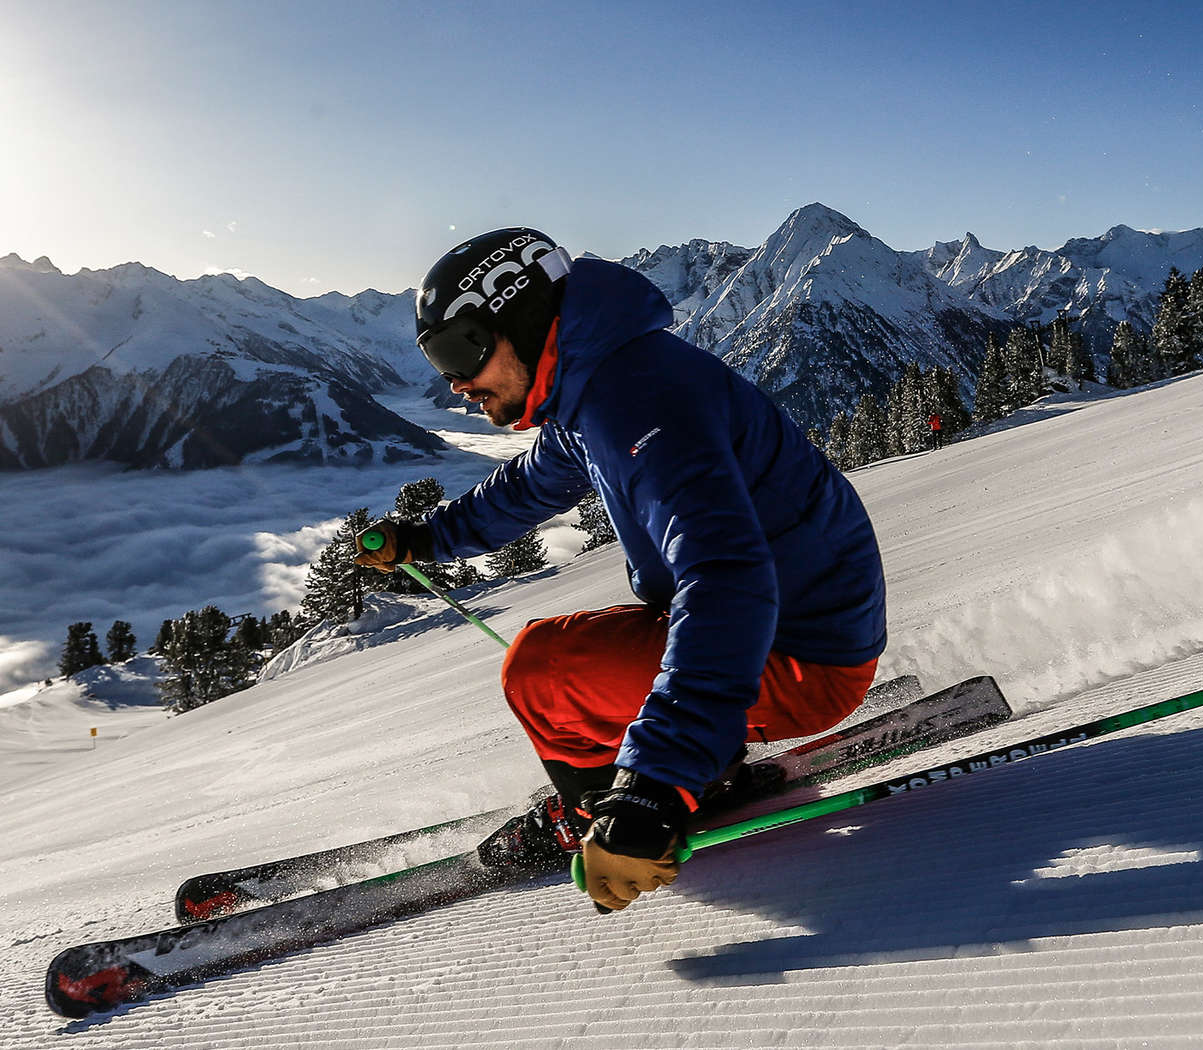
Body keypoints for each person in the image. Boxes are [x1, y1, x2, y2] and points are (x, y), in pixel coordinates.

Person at [355, 227, 887, 912]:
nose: (456, 384)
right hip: (796, 625)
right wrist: (424, 539)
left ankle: (612, 815)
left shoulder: (636, 401)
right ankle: (689, 767)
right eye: (437, 360)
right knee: (561, 660)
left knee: (542, 675)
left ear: (522, 319)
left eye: (461, 351)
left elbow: (726, 577)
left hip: (800, 656)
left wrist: (653, 789)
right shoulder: (601, 384)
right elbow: (530, 487)